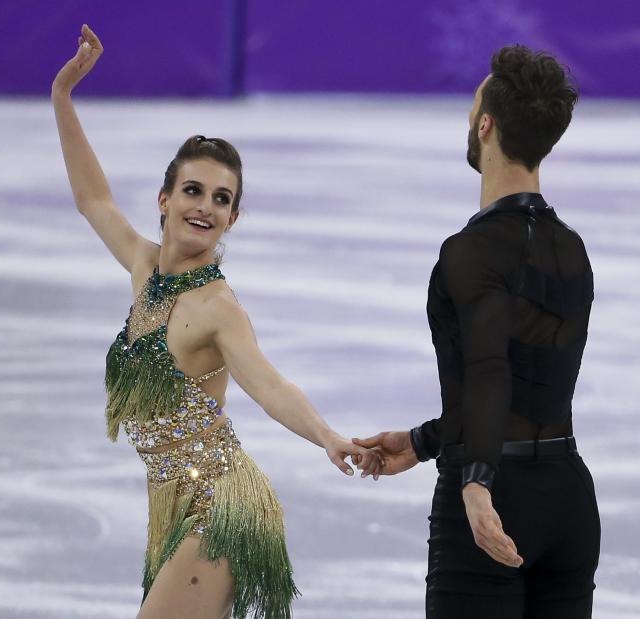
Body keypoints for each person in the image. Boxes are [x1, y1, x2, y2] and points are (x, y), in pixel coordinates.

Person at [51, 24, 381, 619]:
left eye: (222, 199)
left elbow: (270, 385)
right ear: (164, 199)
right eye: (194, 190)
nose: (205, 206)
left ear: (232, 218)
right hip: (172, 514)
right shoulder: (144, 268)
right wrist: (63, 98)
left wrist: (329, 437)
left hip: (219, 509)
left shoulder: (217, 308)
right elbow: (92, 200)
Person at [354, 45, 600, 618]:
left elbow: (489, 371)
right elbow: (521, 384)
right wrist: (420, 443)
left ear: (485, 126)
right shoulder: (572, 249)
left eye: (472, 108)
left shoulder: (471, 252)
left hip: (492, 502)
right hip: (567, 499)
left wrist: (477, 481)